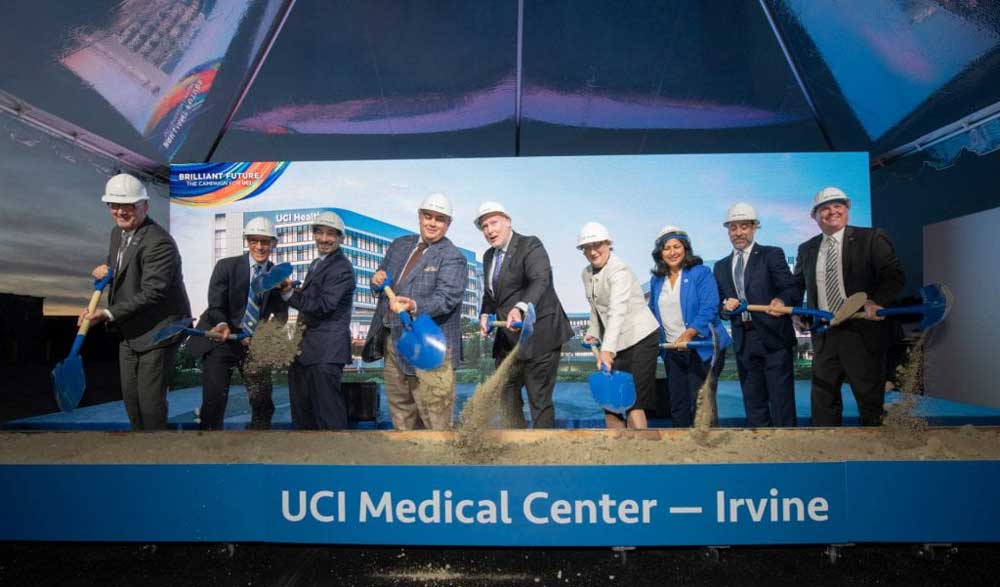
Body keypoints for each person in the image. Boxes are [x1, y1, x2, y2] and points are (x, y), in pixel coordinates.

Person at [81, 173, 191, 430]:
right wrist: (107, 269)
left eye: (128, 205)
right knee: (132, 399)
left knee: (150, 401)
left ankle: (155, 456)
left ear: (144, 206)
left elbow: (153, 292)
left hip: (160, 329)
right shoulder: (117, 234)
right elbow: (123, 265)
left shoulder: (159, 243)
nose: (120, 211)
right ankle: (139, 447)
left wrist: (106, 314)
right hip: (130, 328)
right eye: (114, 205)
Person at [791, 187, 905, 426]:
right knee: (823, 397)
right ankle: (827, 447)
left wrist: (876, 300)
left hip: (861, 332)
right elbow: (797, 285)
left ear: (847, 209)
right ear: (815, 216)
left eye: (838, 205)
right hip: (824, 331)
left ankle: (873, 449)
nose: (832, 211)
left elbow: (893, 276)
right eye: (825, 208)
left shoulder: (871, 238)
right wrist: (793, 309)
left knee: (869, 397)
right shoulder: (807, 249)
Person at [362, 193, 467, 430]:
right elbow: (381, 281)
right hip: (394, 340)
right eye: (427, 216)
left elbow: (446, 299)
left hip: (429, 344)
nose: (432, 223)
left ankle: (437, 463)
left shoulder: (453, 257)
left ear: (448, 224)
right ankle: (409, 458)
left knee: (434, 416)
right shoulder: (400, 245)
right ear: (419, 217)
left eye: (439, 219)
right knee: (401, 407)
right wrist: (376, 279)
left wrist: (414, 305)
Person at [476, 201, 574, 428]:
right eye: (484, 227)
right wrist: (485, 314)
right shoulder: (489, 257)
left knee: (538, 399)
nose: (489, 230)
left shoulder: (530, 245)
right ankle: (517, 443)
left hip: (541, 335)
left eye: (494, 223)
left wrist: (520, 307)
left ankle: (541, 451)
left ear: (508, 221)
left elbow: (540, 279)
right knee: (505, 393)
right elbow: (490, 295)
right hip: (508, 340)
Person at [187, 217, 288, 430]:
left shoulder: (278, 276)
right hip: (222, 339)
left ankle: (257, 448)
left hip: (253, 344)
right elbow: (215, 305)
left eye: (265, 241)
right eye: (254, 240)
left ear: (273, 244)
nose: (259, 247)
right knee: (214, 401)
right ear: (247, 241)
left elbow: (281, 315)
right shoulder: (226, 267)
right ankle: (210, 449)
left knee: (262, 402)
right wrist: (224, 325)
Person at [713, 203, 799, 427]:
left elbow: (790, 288)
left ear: (754, 228)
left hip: (773, 338)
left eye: (744, 227)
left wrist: (781, 300)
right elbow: (720, 308)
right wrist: (725, 307)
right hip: (744, 340)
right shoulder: (721, 267)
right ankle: (761, 447)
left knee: (781, 402)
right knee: (754, 402)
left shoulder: (771, 254)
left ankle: (787, 450)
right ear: (728, 231)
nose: (738, 232)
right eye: (733, 228)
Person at [647, 225, 732, 428]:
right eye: (666, 248)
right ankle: (683, 450)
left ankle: (707, 449)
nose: (672, 252)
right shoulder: (656, 280)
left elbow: (709, 307)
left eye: (677, 246)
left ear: (685, 248)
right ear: (660, 253)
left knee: (701, 403)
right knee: (677, 404)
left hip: (701, 348)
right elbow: (651, 312)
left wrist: (689, 333)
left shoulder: (700, 273)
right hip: (672, 349)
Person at [577, 222, 660, 429]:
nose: (593, 251)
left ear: (608, 244)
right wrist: (593, 332)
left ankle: (639, 452)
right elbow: (596, 307)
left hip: (640, 338)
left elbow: (617, 311)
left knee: (634, 401)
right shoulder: (586, 274)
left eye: (598, 245)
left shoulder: (619, 270)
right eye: (588, 247)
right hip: (616, 343)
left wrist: (607, 350)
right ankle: (617, 452)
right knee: (611, 402)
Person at [279, 211, 355, 430]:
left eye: (331, 234)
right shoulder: (317, 263)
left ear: (341, 238)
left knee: (328, 417)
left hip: (325, 354)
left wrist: (289, 295)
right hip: (305, 351)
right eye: (319, 232)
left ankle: (335, 462)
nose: (324, 238)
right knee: (304, 416)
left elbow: (323, 305)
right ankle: (307, 459)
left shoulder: (341, 267)